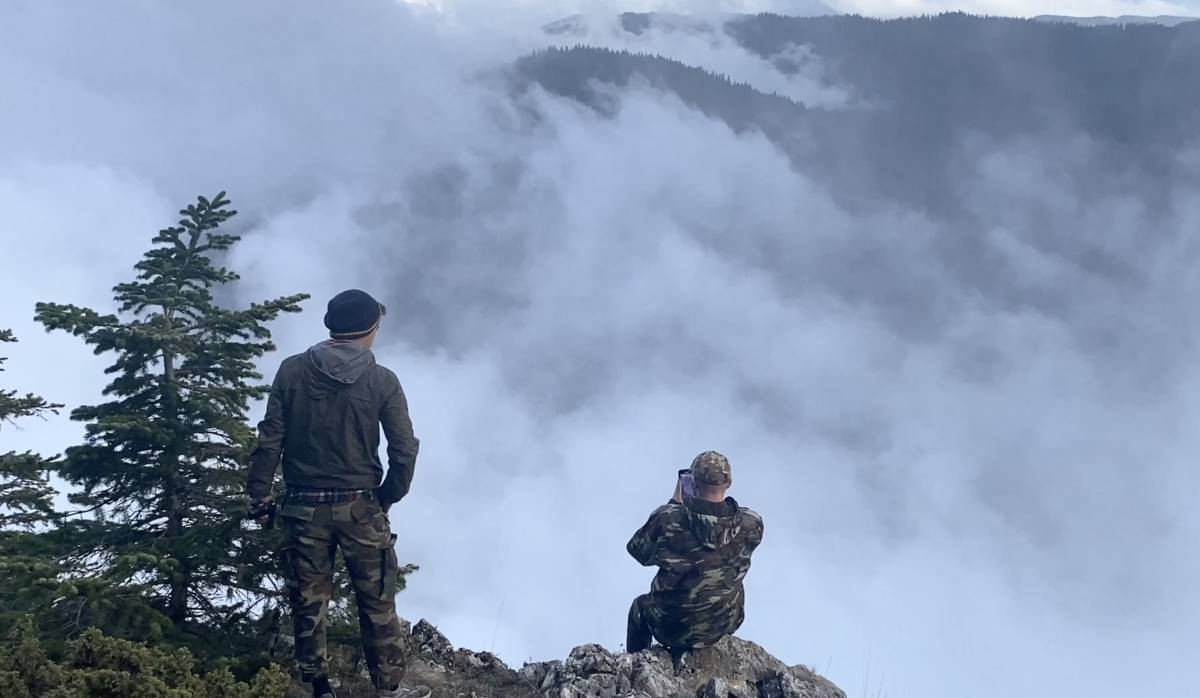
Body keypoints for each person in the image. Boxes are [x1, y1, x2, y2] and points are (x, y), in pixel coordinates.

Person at [246, 289, 420, 698]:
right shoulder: (382, 381)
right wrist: (387, 497)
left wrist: (259, 498)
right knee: (378, 601)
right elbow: (404, 449)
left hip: (302, 507)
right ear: (372, 329)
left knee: (308, 601)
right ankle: (389, 689)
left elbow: (270, 441)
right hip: (361, 506)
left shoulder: (291, 372)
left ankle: (318, 687)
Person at [625, 451, 764, 667]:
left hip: (671, 627)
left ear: (692, 483)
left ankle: (636, 667)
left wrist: (675, 503)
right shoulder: (751, 523)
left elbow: (638, 552)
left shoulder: (668, 519)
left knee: (639, 608)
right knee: (731, 578)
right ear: (729, 482)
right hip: (723, 622)